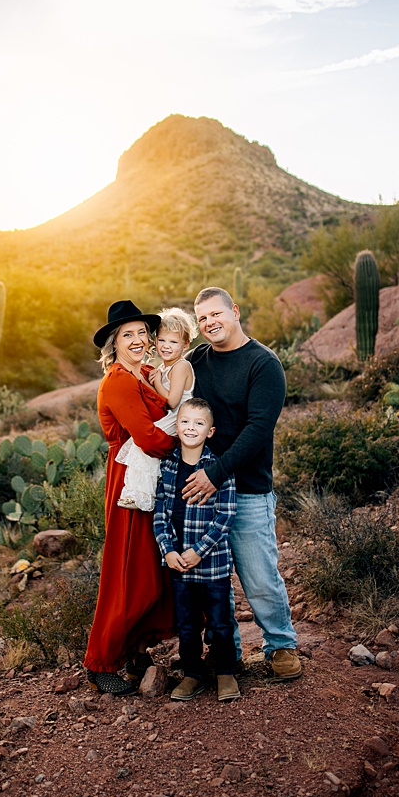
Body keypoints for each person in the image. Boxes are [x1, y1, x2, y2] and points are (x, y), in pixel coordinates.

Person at [183, 286, 302, 681]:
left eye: (216, 314)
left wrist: (215, 474)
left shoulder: (263, 364)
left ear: (234, 311)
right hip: (203, 493)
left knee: (259, 575)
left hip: (245, 488)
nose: (210, 323)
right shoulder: (197, 359)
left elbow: (257, 430)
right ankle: (227, 654)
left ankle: (281, 645)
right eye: (202, 319)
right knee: (213, 580)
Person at [83, 300, 177, 695]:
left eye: (142, 332)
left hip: (153, 481)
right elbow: (151, 439)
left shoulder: (149, 374)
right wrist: (190, 437)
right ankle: (100, 662)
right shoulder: (119, 380)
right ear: (114, 343)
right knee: (128, 573)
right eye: (128, 335)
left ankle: (137, 652)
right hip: (130, 486)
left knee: (151, 572)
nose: (138, 340)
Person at [153, 398, 240, 702]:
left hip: (212, 564)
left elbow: (226, 516)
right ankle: (193, 674)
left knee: (220, 621)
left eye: (199, 423)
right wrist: (168, 551)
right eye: (185, 422)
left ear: (211, 431)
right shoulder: (167, 466)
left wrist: (199, 551)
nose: (191, 428)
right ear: (176, 427)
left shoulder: (219, 469)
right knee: (188, 626)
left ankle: (226, 672)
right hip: (179, 565)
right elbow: (160, 513)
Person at [115, 307, 197, 510]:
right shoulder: (162, 368)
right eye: (162, 340)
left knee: (147, 445)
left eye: (173, 342)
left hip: (180, 416)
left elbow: (171, 401)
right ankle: (135, 492)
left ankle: (143, 495)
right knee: (139, 444)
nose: (166, 346)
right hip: (172, 415)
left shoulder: (181, 367)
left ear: (185, 345)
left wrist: (157, 382)